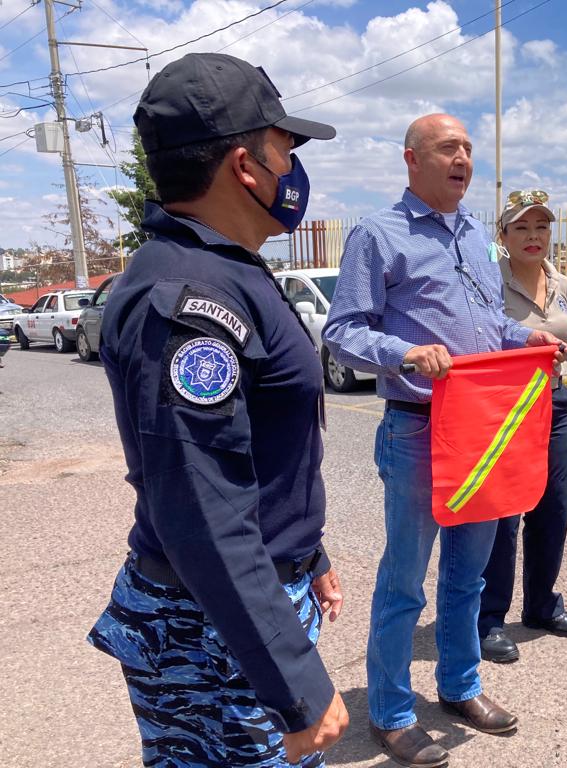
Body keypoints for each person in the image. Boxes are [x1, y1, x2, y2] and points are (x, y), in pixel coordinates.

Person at [86, 53, 348, 766]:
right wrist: (294, 682)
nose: (293, 168)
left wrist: (307, 553)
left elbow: (259, 452)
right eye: (285, 149)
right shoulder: (188, 300)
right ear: (244, 166)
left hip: (244, 605)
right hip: (211, 631)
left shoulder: (222, 269)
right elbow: (199, 505)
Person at [322, 114, 565, 768]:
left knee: (469, 576)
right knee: (405, 581)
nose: (463, 159)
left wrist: (525, 337)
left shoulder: (477, 235)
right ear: (412, 159)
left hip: (481, 429)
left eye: (468, 149)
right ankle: (391, 712)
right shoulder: (379, 234)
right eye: (448, 148)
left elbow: (488, 324)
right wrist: (405, 352)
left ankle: (460, 685)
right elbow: (341, 331)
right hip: (418, 428)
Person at [478, 190, 567, 665]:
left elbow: (562, 332)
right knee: (502, 517)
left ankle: (542, 605)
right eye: (521, 227)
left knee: (552, 509)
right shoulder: (489, 282)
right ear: (503, 236)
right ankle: (489, 618)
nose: (532, 236)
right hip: (505, 409)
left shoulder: (560, 283)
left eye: (541, 226)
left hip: (553, 405)